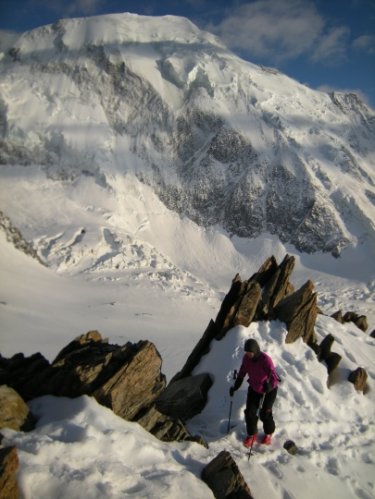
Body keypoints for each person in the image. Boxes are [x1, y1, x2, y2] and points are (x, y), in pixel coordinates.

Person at [229, 338, 279, 447]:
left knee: (265, 413)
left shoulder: (265, 360)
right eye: (246, 353)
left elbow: (275, 377)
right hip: (254, 387)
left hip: (269, 389)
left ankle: (269, 433)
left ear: (255, 351)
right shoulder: (246, 359)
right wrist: (235, 387)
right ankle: (252, 435)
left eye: (250, 353)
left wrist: (269, 386)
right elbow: (242, 373)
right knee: (250, 413)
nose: (248, 355)